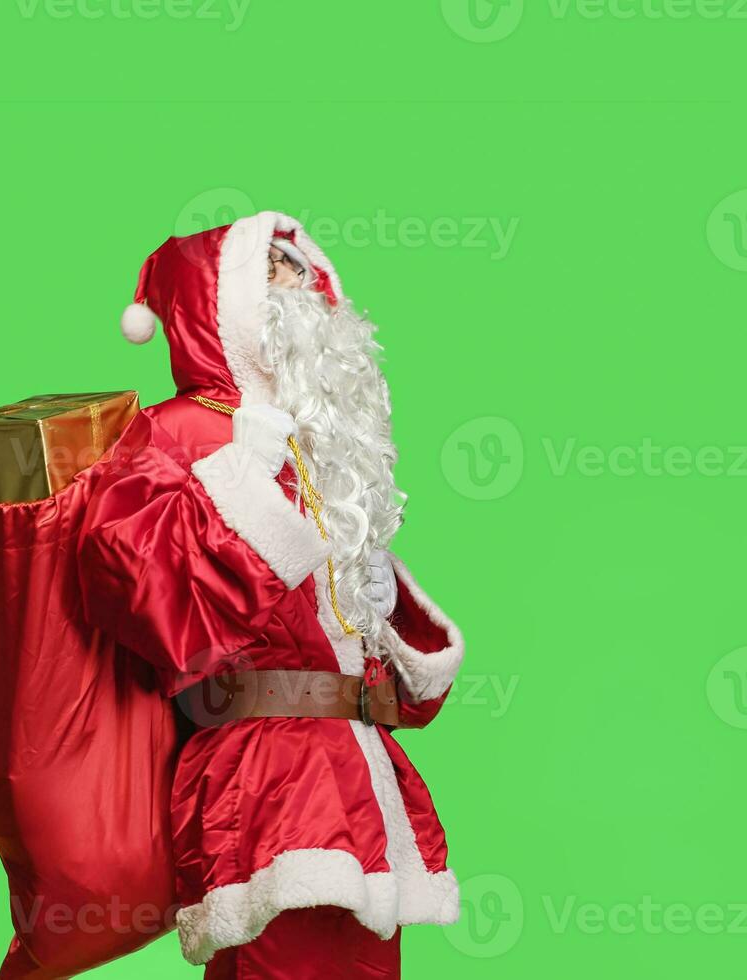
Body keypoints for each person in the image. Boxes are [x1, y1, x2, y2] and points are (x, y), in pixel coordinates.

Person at [85, 211, 465, 978]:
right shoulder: (179, 433)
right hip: (264, 777)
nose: (300, 287)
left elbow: (338, 634)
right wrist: (244, 479)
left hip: (356, 770)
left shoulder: (317, 441)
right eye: (273, 273)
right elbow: (139, 593)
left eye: (302, 270)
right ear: (217, 304)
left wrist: (381, 599)